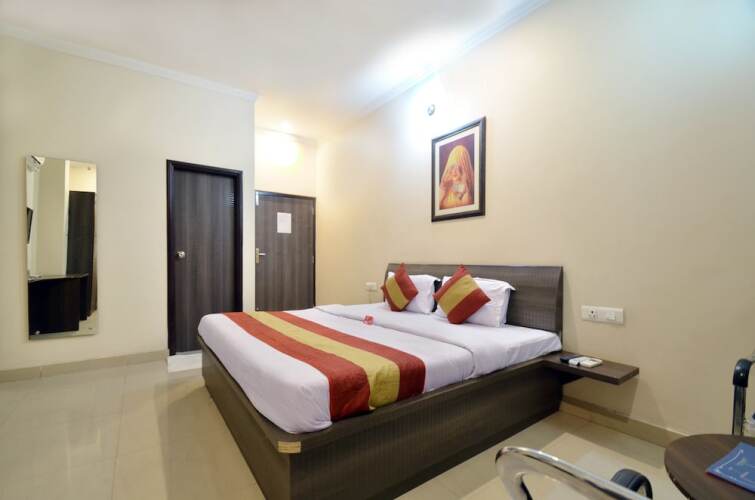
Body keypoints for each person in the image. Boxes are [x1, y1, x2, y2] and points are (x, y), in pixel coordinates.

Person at [439, 145, 474, 209]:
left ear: (464, 168)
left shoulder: (464, 187)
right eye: (452, 167)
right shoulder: (445, 185)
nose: (454, 171)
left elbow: (466, 208)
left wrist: (464, 189)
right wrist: (443, 189)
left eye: (459, 168)